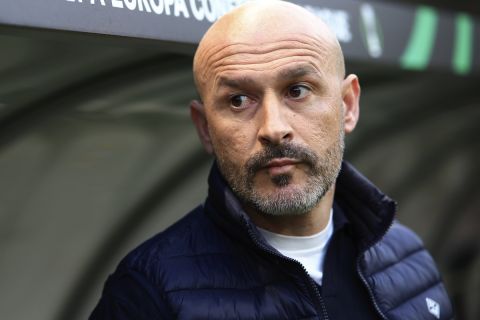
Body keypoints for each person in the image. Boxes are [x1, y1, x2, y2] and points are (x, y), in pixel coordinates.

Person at [90, 1, 453, 319]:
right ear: (204, 128)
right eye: (238, 100)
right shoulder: (149, 293)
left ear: (348, 105)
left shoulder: (409, 259)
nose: (273, 129)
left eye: (297, 91)